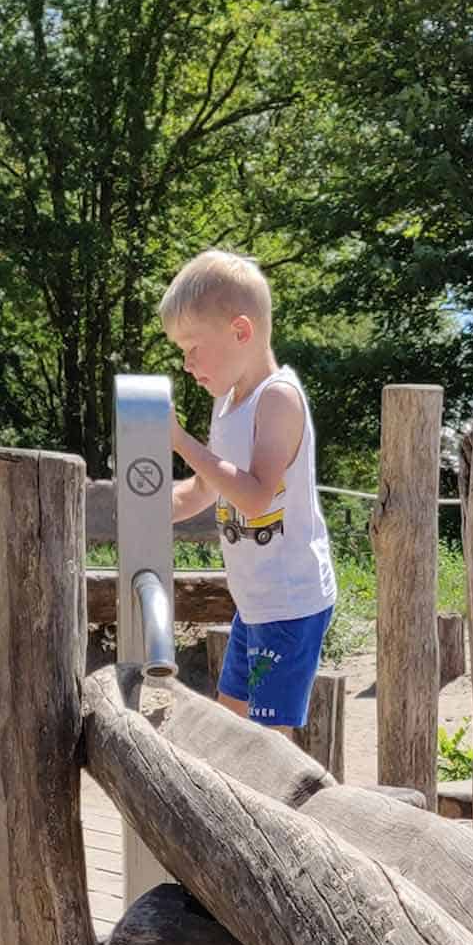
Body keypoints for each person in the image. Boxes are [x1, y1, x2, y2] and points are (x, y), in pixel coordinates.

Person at [160, 249, 335, 733]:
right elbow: (205, 489)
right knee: (229, 727)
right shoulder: (227, 404)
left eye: (193, 346)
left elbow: (256, 496)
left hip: (291, 603)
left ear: (240, 331)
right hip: (255, 602)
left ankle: (282, 811)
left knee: (266, 746)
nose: (187, 361)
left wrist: (181, 442)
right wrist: (151, 512)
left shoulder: (277, 399)